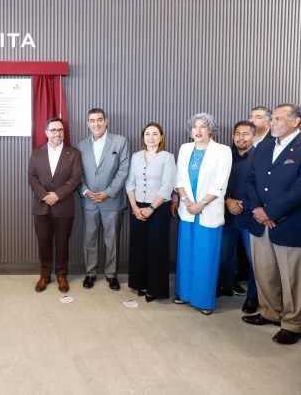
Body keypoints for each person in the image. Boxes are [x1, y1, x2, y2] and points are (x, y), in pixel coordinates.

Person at [243, 103, 301, 345]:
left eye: (278, 119)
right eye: (273, 119)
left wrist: (270, 212)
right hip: (260, 222)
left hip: (291, 224)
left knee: (293, 280)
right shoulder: (264, 146)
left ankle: (293, 324)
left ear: (295, 121)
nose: (273, 123)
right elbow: (250, 179)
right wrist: (257, 209)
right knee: (264, 272)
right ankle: (270, 312)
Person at [174, 113, 232, 315]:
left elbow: (221, 184)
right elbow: (178, 179)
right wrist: (186, 201)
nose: (198, 130)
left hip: (208, 211)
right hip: (188, 210)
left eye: (203, 126)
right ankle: (184, 294)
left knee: (205, 257)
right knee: (186, 255)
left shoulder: (222, 151)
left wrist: (201, 204)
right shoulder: (184, 148)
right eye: (194, 127)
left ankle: (204, 300)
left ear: (210, 129)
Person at [77, 108, 129, 291]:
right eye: (92, 121)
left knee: (112, 240)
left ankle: (111, 275)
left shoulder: (120, 141)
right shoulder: (81, 145)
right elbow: (77, 173)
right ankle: (90, 273)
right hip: (89, 201)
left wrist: (109, 192)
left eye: (99, 120)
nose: (96, 124)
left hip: (112, 201)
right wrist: (85, 191)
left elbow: (124, 170)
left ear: (106, 121)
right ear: (87, 123)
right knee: (89, 239)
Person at [28, 117, 82, 293]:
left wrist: (58, 195)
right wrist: (45, 196)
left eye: (60, 130)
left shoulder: (73, 153)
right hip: (41, 206)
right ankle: (45, 275)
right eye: (53, 130)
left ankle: (61, 275)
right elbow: (32, 177)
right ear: (46, 133)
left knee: (62, 243)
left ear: (63, 132)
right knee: (43, 243)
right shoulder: (37, 153)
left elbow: (75, 178)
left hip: (63, 206)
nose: (57, 133)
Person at [125, 122, 176, 301]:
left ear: (161, 137)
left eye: (155, 134)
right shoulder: (136, 156)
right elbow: (130, 182)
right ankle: (141, 283)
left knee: (156, 248)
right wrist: (134, 207)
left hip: (159, 208)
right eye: (147, 134)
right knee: (139, 247)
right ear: (143, 137)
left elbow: (167, 186)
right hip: (138, 206)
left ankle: (156, 288)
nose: (151, 137)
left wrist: (151, 208)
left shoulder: (167, 157)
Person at [218, 121, 262, 313]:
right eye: (237, 134)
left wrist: (245, 204)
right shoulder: (225, 156)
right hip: (227, 215)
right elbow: (217, 183)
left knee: (254, 260)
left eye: (246, 134)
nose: (241, 138)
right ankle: (225, 286)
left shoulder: (261, 157)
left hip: (251, 216)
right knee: (224, 256)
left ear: (254, 136)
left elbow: (264, 188)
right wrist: (227, 200)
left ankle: (253, 296)